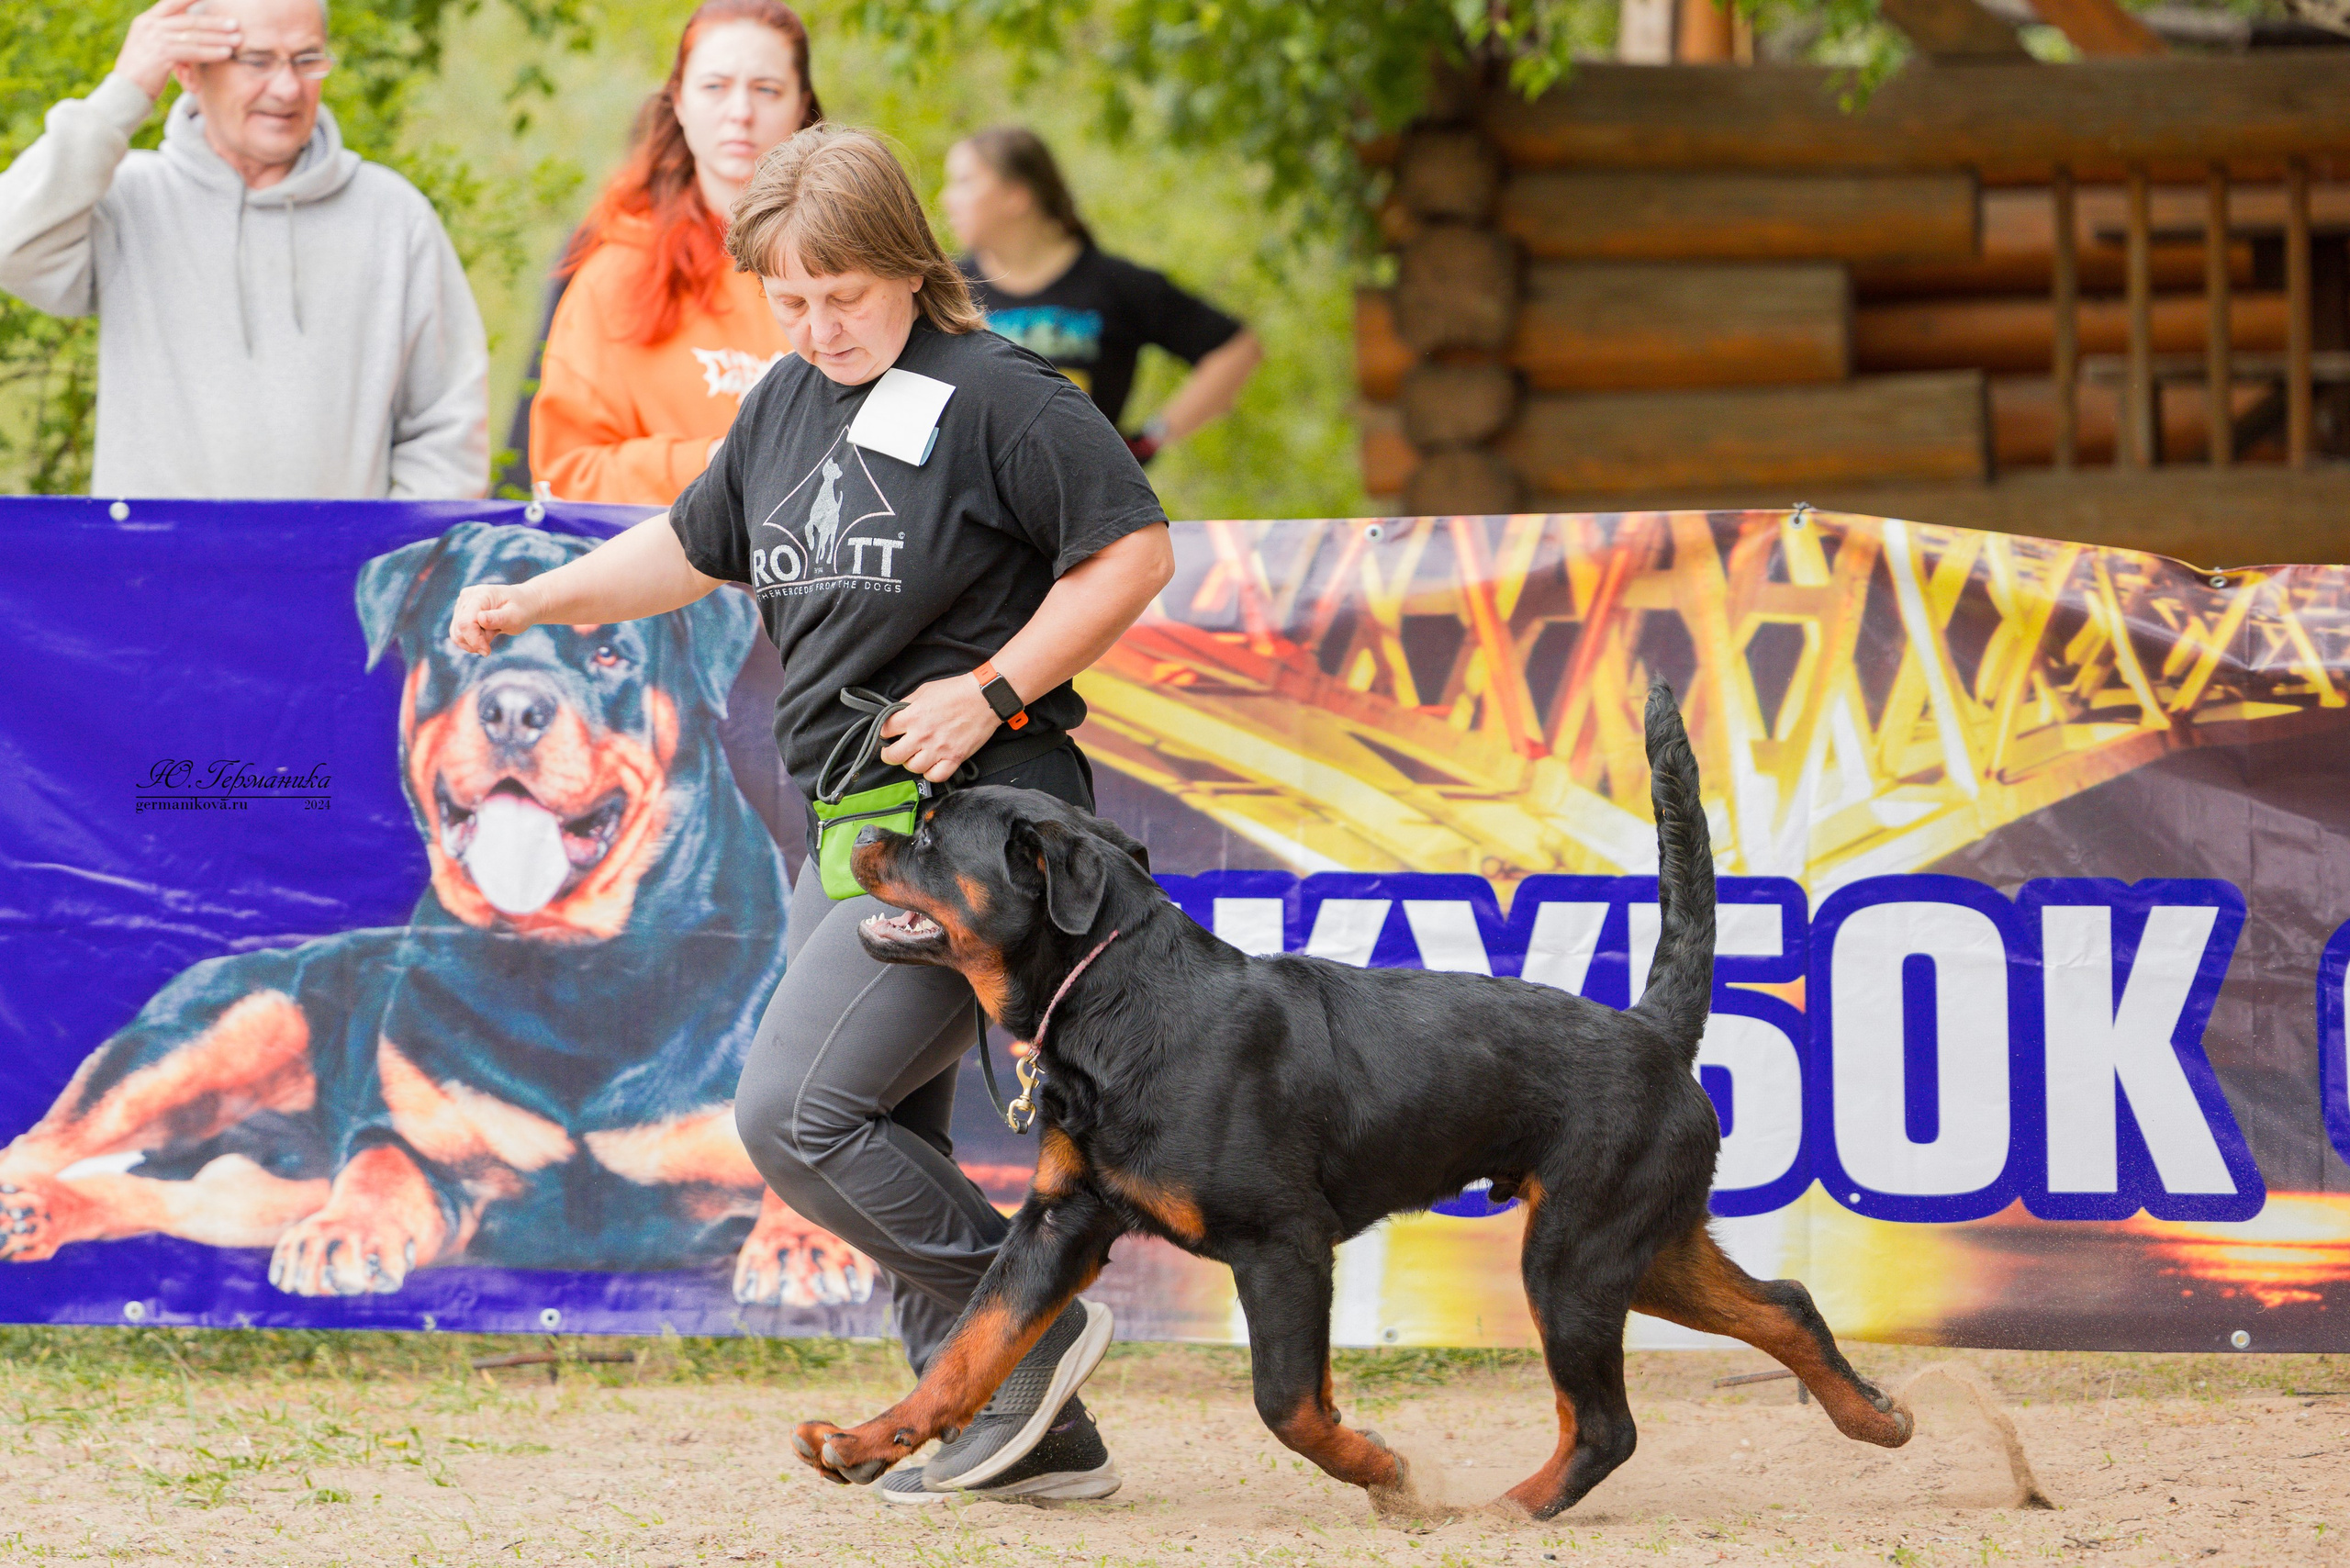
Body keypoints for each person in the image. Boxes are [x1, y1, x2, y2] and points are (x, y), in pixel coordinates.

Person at [449, 125, 1175, 1505]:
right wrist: (541, 595)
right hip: (852, 822)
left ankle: (1037, 1317)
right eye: (790, 298)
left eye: (845, 293)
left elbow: (1134, 547)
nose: (821, 323)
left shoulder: (1002, 397)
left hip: (978, 825)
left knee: (797, 1114)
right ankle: (1028, 1436)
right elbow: (688, 546)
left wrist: (992, 689)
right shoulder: (787, 398)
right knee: (885, 1122)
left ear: (911, 264)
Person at [0, 0, 488, 499]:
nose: (287, 88)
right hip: (154, 572)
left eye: (307, 59)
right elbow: (9, 246)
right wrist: (123, 93)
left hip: (337, 573)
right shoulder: (127, 201)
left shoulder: (393, 215)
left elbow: (449, 426)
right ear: (189, 70)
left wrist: (388, 560)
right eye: (256, 61)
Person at [524, 0, 820, 505]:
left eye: (766, 90)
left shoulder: (856, 269)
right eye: (715, 87)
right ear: (679, 101)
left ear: (801, 106)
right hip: (667, 569)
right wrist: (714, 462)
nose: (741, 113)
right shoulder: (616, 273)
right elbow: (564, 475)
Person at [943, 126, 1261, 465]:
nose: (947, 199)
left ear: (1017, 196)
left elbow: (1236, 349)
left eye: (964, 182)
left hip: (1089, 507)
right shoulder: (946, 290)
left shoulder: (1113, 284)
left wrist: (1150, 440)